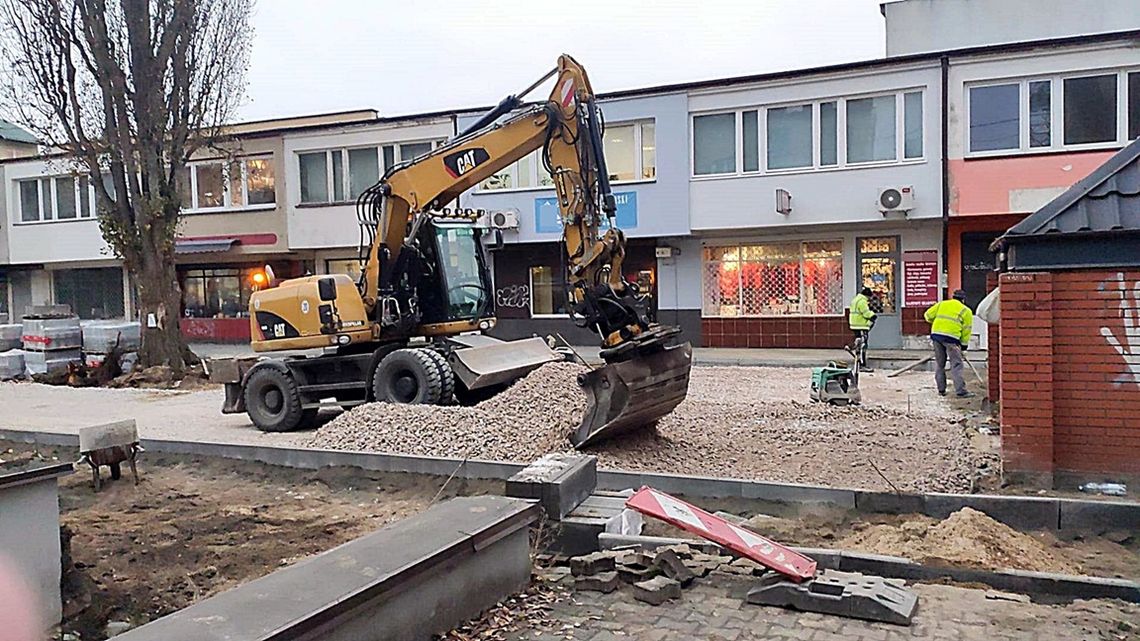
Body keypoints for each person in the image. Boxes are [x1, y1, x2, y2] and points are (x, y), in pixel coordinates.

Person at [924, 289, 974, 398]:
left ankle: (941, 390)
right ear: (963, 300)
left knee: (940, 363)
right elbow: (966, 330)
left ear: (953, 297)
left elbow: (927, 315)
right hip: (952, 339)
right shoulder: (966, 311)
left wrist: (938, 324)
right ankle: (961, 391)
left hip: (936, 336)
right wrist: (964, 346)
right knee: (956, 364)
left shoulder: (942, 304)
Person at [849, 287, 876, 370]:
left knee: (859, 343)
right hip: (861, 325)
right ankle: (862, 364)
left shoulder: (855, 299)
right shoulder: (862, 301)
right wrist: (872, 315)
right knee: (863, 345)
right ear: (867, 296)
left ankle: (859, 362)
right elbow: (865, 313)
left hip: (854, 324)